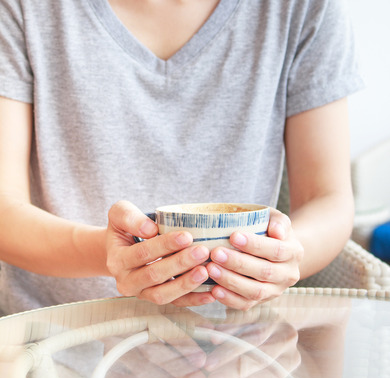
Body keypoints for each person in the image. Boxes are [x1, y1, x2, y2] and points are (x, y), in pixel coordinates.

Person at [0, 0, 364, 316]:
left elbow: (327, 198)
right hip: (51, 338)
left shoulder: (304, 7)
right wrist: (110, 255)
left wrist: (280, 257)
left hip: (235, 344)